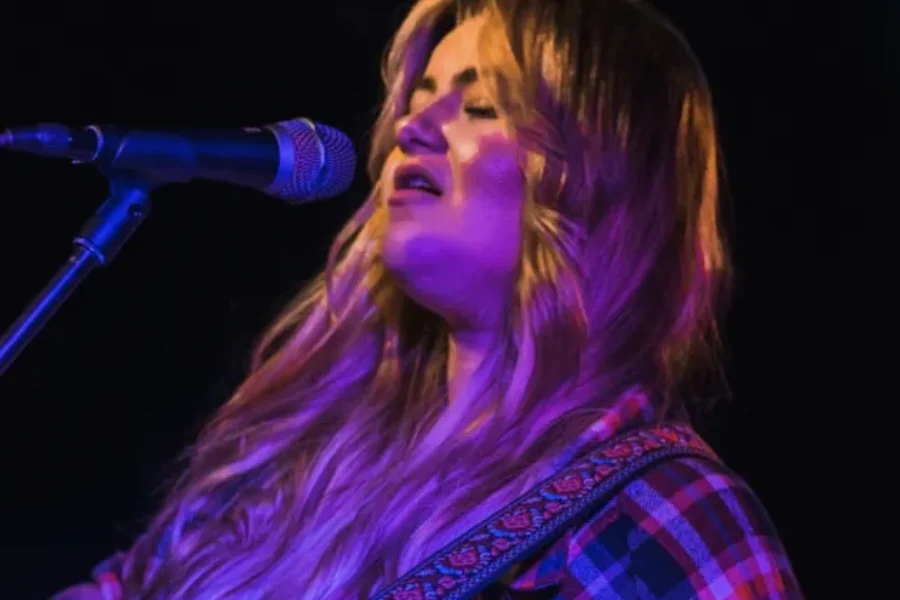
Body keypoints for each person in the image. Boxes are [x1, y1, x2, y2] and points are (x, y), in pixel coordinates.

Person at [51, 0, 803, 598]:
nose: (412, 125)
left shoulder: (665, 522)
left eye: (480, 108)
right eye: (418, 99)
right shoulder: (302, 455)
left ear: (601, 183)